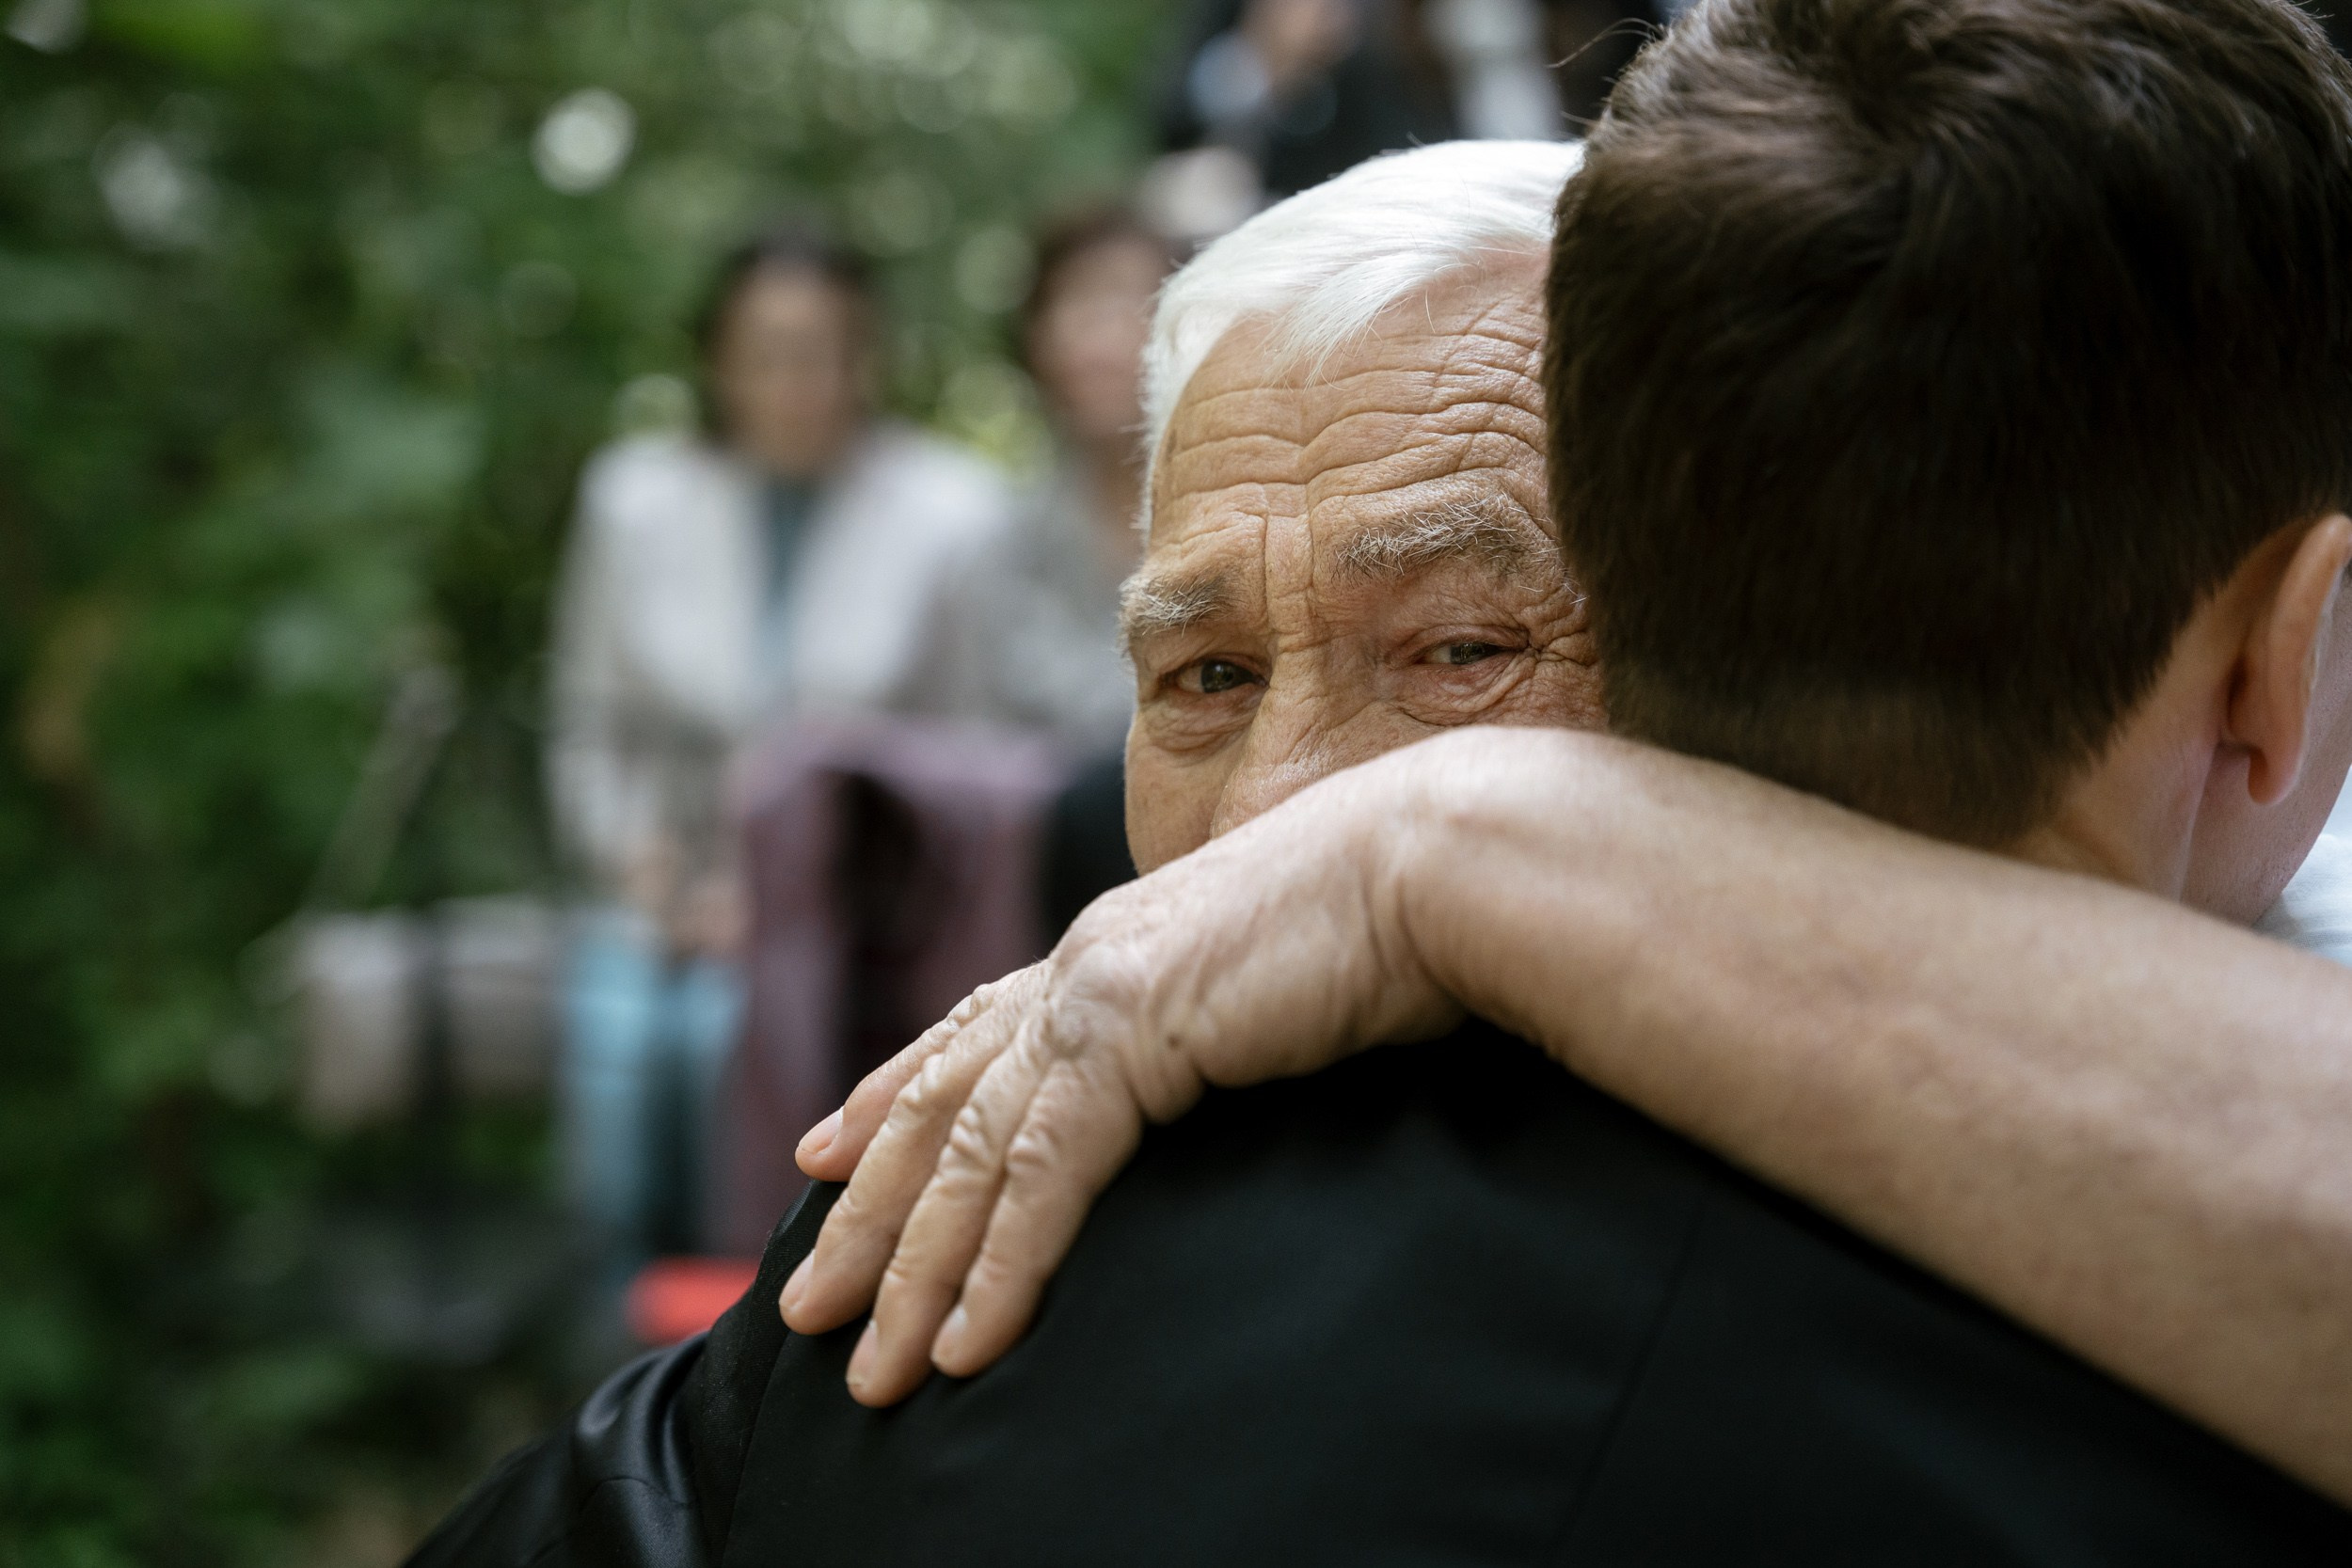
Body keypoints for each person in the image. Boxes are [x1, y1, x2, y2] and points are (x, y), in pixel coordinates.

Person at [418, 14, 2352, 1543]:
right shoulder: (935, 1238)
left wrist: (1461, 855)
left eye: (1457, 651)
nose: (1287, 814)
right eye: (1199, 673)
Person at [546, 223, 1010, 1264]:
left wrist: (785, 891)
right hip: (656, 883)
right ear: (718, 360)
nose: (798, 381)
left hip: (848, 903)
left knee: (733, 1047)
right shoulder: (633, 502)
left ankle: (746, 1339)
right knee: (620, 1064)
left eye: (824, 349)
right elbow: (589, 724)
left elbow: (967, 767)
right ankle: (614, 1333)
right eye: (768, 351)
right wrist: (638, 865)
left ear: (866, 357)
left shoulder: (953, 515)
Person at [914, 209, 1174, 752]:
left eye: (1128, 302)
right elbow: (966, 760)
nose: (1098, 339)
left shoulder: (1246, 526)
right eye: (1075, 304)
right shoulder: (992, 554)